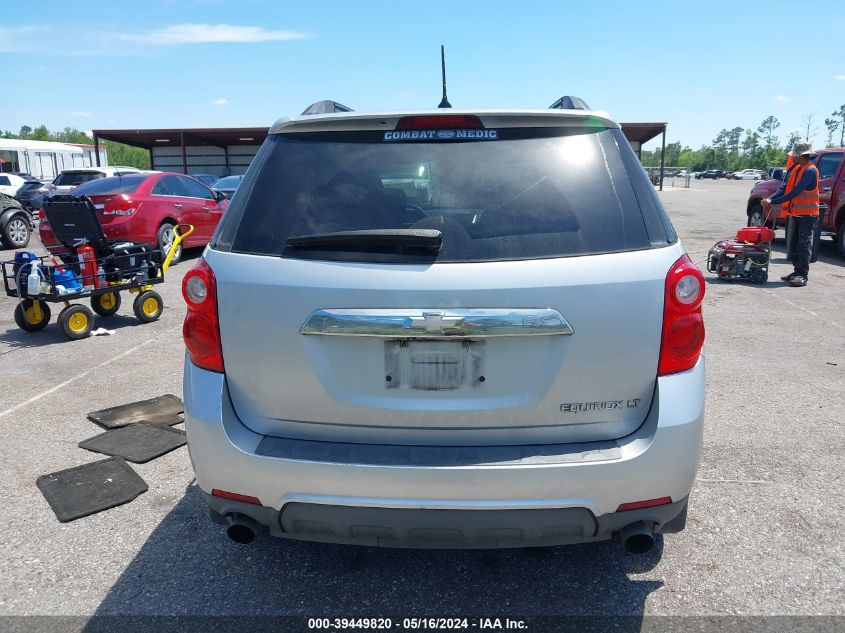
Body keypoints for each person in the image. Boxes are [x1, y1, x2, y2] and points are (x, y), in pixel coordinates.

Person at [762, 143, 819, 287]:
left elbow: (795, 192)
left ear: (800, 155)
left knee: (804, 245)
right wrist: (770, 199)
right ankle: (796, 272)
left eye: (793, 155)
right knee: (793, 245)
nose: (791, 157)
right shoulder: (796, 169)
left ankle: (802, 275)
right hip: (795, 213)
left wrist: (773, 201)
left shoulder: (810, 171)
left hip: (808, 215)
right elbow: (783, 189)